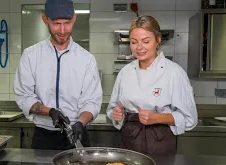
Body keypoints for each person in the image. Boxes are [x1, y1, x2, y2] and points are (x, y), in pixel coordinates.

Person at [14, 0, 102, 150]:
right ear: (45, 20)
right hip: (44, 137)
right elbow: (24, 96)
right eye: (56, 23)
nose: (62, 30)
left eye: (67, 23)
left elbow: (92, 101)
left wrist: (81, 122)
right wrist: (50, 112)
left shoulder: (86, 59)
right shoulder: (31, 55)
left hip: (77, 134)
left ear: (74, 19)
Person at [106, 16, 198, 155]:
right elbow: (113, 109)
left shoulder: (174, 73)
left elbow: (189, 118)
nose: (139, 47)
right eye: (134, 42)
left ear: (158, 40)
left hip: (160, 142)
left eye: (146, 41)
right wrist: (117, 114)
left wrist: (157, 118)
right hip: (129, 141)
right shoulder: (125, 72)